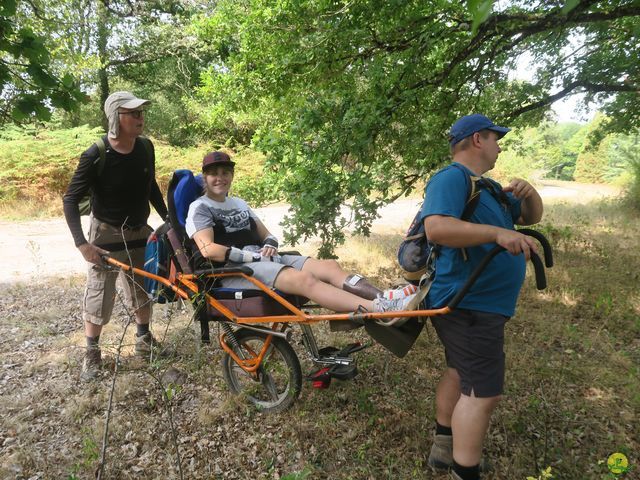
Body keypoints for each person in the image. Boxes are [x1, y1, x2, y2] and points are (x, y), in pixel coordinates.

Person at [421, 114, 543, 480]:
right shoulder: (451, 178)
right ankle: (464, 471)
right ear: (477, 139)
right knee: (483, 394)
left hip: (473, 302)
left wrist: (530, 194)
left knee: (461, 373)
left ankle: (444, 447)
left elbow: (532, 217)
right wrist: (496, 234)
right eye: (496, 138)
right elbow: (437, 228)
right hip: (468, 303)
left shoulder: (487, 187)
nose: (500, 145)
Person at [185, 151, 418, 317]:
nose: (220, 178)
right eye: (213, 173)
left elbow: (268, 235)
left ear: (232, 176)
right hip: (236, 269)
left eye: (225, 172)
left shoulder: (239, 203)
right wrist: (253, 258)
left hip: (262, 259)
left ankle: (385, 297)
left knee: (329, 267)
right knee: (304, 279)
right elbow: (208, 249)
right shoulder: (200, 207)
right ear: (204, 178)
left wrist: (270, 245)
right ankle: (380, 310)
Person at [63, 91, 169, 382]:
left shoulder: (146, 147)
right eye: (133, 113)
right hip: (106, 235)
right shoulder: (95, 154)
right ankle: (92, 354)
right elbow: (70, 199)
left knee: (142, 288)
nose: (140, 118)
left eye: (141, 112)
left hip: (139, 232)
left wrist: (168, 219)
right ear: (115, 118)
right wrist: (82, 245)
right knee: (99, 293)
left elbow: (150, 187)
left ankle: (144, 341)